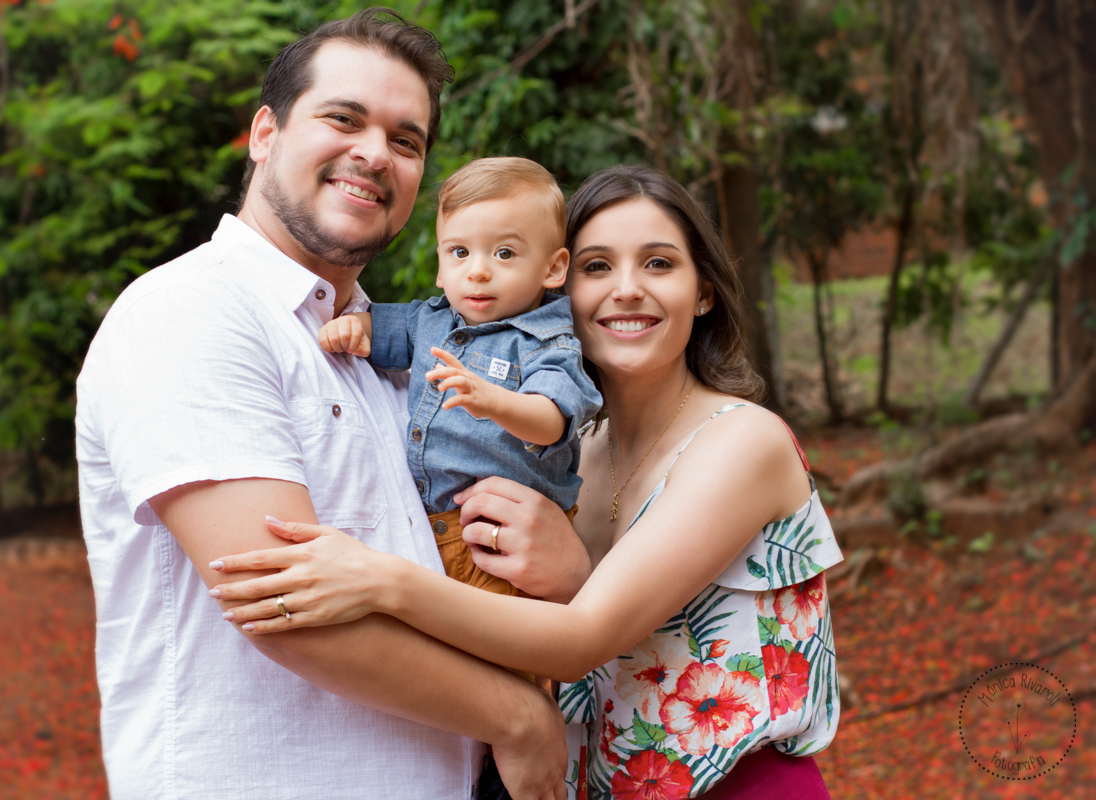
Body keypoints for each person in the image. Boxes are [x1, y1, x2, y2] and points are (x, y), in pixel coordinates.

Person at [210, 165, 844, 798]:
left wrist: (379, 580)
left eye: (658, 264)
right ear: (562, 284)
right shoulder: (571, 456)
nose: (625, 289)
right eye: (598, 267)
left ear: (704, 290)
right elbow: (607, 620)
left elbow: (581, 640)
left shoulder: (741, 441)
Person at [75, 9, 568, 800]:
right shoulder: (192, 312)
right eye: (344, 118)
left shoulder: (392, 353)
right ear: (264, 133)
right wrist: (520, 718)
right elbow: (278, 600)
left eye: (406, 141)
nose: (374, 153)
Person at [318, 156, 602, 608]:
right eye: (459, 252)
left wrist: (492, 400)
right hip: (427, 533)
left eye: (504, 253)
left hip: (504, 546)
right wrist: (355, 330)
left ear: (553, 269)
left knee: (502, 655)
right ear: (439, 265)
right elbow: (376, 331)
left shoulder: (548, 344)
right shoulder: (427, 320)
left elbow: (551, 421)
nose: (478, 270)